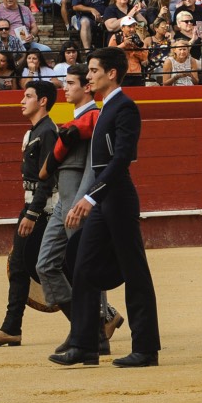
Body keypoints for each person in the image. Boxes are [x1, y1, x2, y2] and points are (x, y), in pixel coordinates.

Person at [50, 47, 161, 367]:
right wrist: (95, 197)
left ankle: (146, 348)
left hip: (117, 198)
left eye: (95, 70)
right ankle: (87, 344)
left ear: (111, 73)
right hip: (104, 198)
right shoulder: (106, 108)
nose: (89, 76)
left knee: (135, 271)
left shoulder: (124, 108)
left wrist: (90, 196)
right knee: (81, 265)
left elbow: (122, 159)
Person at [36, 63, 124, 355]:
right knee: (46, 264)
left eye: (71, 83)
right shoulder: (77, 119)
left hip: (78, 202)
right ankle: (83, 327)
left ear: (86, 87)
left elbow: (92, 165)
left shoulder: (94, 118)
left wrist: (85, 200)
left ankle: (94, 332)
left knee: (86, 267)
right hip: (65, 198)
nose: (65, 88)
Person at [0, 81, 59, 347]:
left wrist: (33, 212)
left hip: (41, 209)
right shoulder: (37, 131)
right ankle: (12, 327)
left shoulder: (47, 132)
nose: (22, 101)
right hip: (35, 206)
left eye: (28, 96)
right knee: (31, 267)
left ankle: (100, 318)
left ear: (43, 101)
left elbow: (48, 178)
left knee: (35, 267)